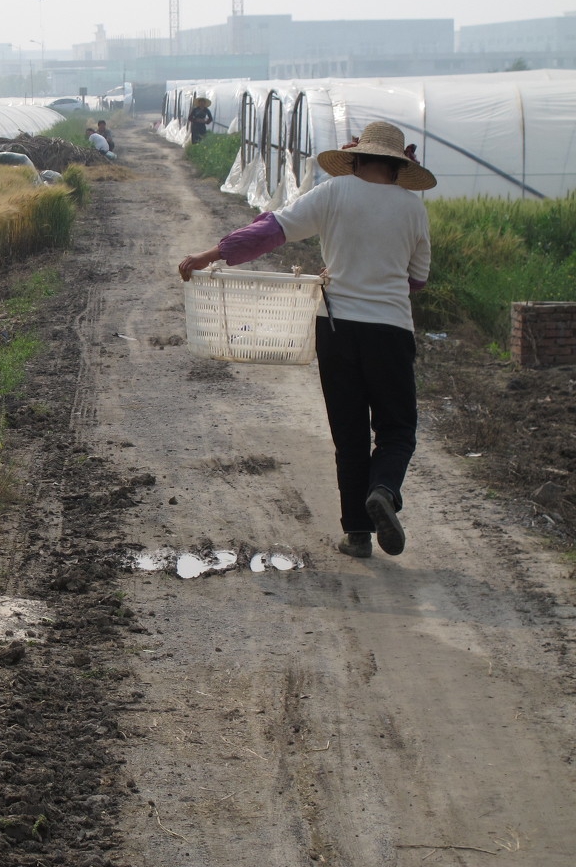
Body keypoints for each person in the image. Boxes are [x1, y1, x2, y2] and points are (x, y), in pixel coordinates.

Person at [176, 121, 436, 560]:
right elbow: (418, 279)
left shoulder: (334, 194)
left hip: (335, 328)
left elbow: (271, 230)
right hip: (390, 330)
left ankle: (357, 534)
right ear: (398, 168)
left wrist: (210, 254)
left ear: (354, 159)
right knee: (396, 430)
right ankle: (384, 491)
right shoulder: (412, 209)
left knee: (349, 432)